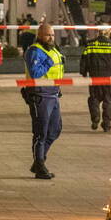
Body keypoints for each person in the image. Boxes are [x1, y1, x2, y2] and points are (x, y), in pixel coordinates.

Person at [23, 23, 64, 180]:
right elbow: (35, 73)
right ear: (40, 35)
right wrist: (48, 62)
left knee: (55, 129)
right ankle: (40, 164)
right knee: (41, 132)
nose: (51, 38)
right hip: (40, 95)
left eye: (53, 35)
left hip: (53, 94)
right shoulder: (35, 51)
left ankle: (38, 161)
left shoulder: (53, 49)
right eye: (48, 35)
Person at [79, 31, 111, 132]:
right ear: (108, 33)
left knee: (94, 98)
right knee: (108, 100)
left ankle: (95, 117)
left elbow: (84, 59)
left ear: (98, 33)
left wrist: (83, 72)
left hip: (94, 77)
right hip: (108, 78)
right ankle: (107, 124)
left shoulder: (90, 45)